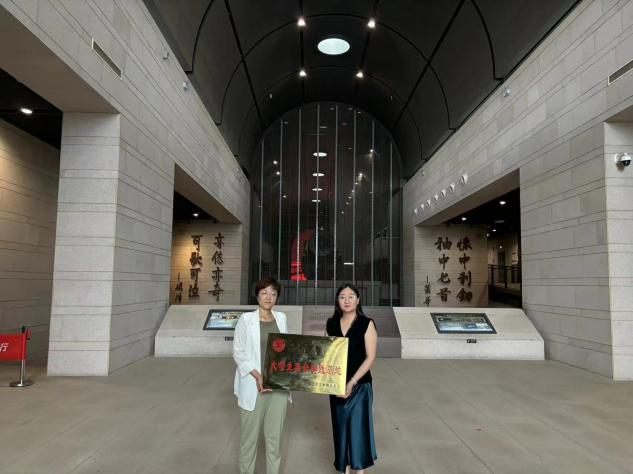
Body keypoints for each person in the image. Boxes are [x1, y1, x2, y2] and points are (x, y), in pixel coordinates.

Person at [233, 277, 290, 474]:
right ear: (257, 296)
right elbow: (238, 352)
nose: (268, 297)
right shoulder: (246, 320)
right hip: (254, 385)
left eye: (273, 293)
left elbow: (286, 350)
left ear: (277, 297)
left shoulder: (281, 318)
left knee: (275, 439)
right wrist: (257, 375)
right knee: (249, 439)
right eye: (264, 293)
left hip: (278, 386)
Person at [326, 284, 378, 473]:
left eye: (351, 296)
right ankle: (345, 469)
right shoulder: (331, 323)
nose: (346, 300)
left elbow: (370, 357)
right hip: (336, 385)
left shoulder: (366, 323)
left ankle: (360, 470)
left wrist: (352, 382)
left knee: (358, 429)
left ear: (358, 300)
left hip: (360, 386)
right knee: (341, 429)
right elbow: (326, 355)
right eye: (342, 297)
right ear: (337, 301)